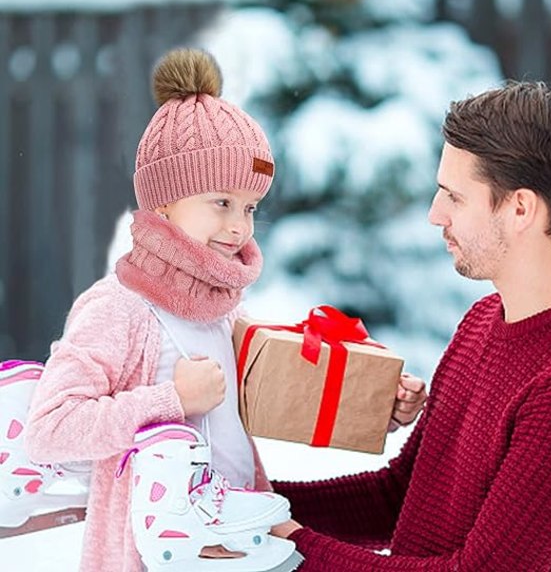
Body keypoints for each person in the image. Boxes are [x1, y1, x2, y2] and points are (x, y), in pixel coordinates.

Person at [23, 48, 425, 572]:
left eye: (250, 207)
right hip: (148, 558)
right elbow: (50, 428)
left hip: (238, 549)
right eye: (221, 203)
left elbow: (286, 400)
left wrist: (376, 405)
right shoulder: (118, 308)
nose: (240, 227)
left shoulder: (220, 313)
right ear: (164, 202)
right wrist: (171, 399)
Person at [271, 81, 551, 571]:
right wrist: (257, 502)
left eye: (455, 197)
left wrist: (296, 545)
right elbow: (399, 495)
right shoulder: (483, 319)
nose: (434, 214)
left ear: (520, 209)